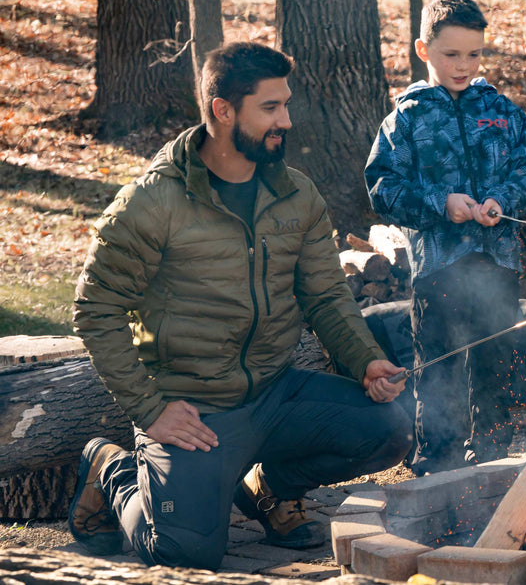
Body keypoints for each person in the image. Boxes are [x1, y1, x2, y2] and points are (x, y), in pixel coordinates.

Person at [69, 42, 411, 570]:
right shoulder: (152, 202)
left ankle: (268, 488)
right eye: (270, 108)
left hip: (275, 392)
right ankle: (113, 470)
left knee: (391, 428)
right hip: (195, 408)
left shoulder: (296, 195)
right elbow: (96, 309)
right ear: (223, 110)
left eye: (286, 105)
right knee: (186, 553)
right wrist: (151, 410)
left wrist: (365, 360)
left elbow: (325, 294)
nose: (286, 121)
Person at [365, 0, 526, 476]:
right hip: (438, 267)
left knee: (496, 357)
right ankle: (437, 460)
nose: (464, 65)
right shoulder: (407, 118)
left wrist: (502, 198)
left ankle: (492, 456)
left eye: (474, 54)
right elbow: (382, 187)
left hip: (497, 263)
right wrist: (440, 203)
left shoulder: (501, 111)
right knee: (438, 362)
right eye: (451, 54)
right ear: (423, 50)